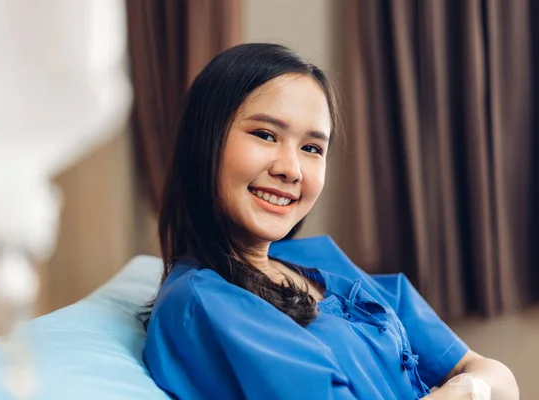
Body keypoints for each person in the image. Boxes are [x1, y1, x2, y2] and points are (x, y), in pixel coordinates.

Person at [142, 43, 518, 400]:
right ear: (204, 141)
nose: (291, 170)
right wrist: (468, 389)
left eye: (311, 148)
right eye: (265, 134)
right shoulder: (203, 302)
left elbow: (493, 374)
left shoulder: (320, 260)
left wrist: (467, 387)